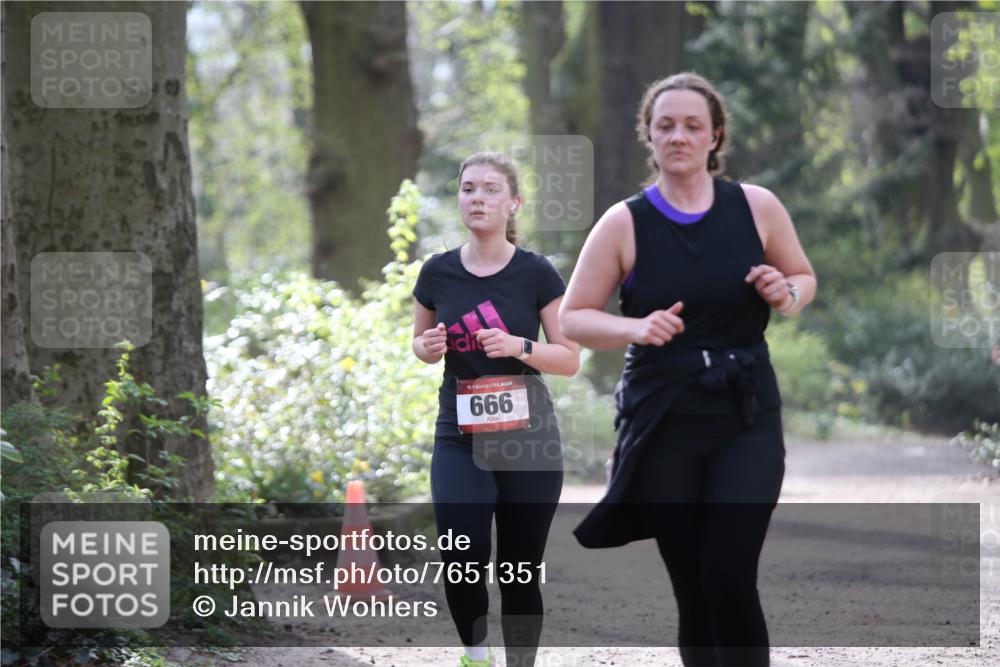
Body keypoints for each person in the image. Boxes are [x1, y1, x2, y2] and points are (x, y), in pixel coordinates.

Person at [559, 72, 817, 666]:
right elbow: (573, 317)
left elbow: (803, 278)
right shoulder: (623, 222)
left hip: (745, 412)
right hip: (663, 418)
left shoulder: (756, 207)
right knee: (694, 589)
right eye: (666, 125)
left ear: (715, 135)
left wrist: (785, 293)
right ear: (649, 136)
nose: (679, 136)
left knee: (729, 574)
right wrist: (634, 328)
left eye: (692, 125)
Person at [412, 151, 581, 667]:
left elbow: (569, 358)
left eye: (490, 189)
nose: (477, 198)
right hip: (459, 435)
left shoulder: (537, 273)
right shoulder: (437, 272)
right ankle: (476, 655)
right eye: (468, 189)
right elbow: (419, 343)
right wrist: (428, 347)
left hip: (528, 438)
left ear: (513, 204)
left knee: (518, 569)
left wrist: (518, 347)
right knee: (460, 553)